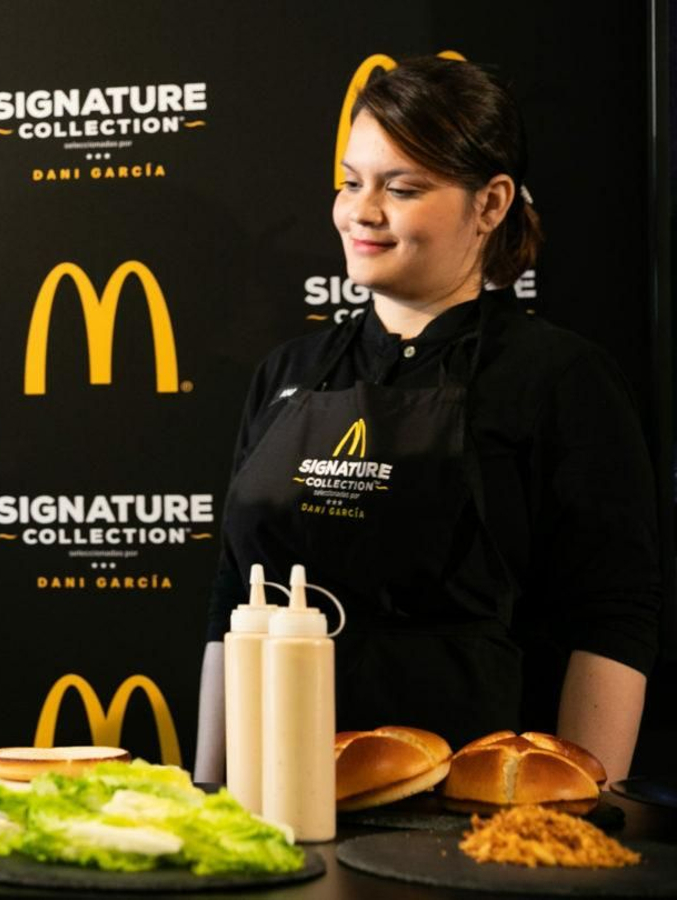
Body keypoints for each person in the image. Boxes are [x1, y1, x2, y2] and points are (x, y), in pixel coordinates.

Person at [194, 57, 661, 783]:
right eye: (352, 182)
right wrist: (211, 788)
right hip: (277, 791)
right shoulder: (289, 373)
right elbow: (234, 598)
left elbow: (612, 616)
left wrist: (577, 808)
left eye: (402, 188)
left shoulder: (560, 379)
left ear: (491, 203)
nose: (361, 211)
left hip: (472, 806)